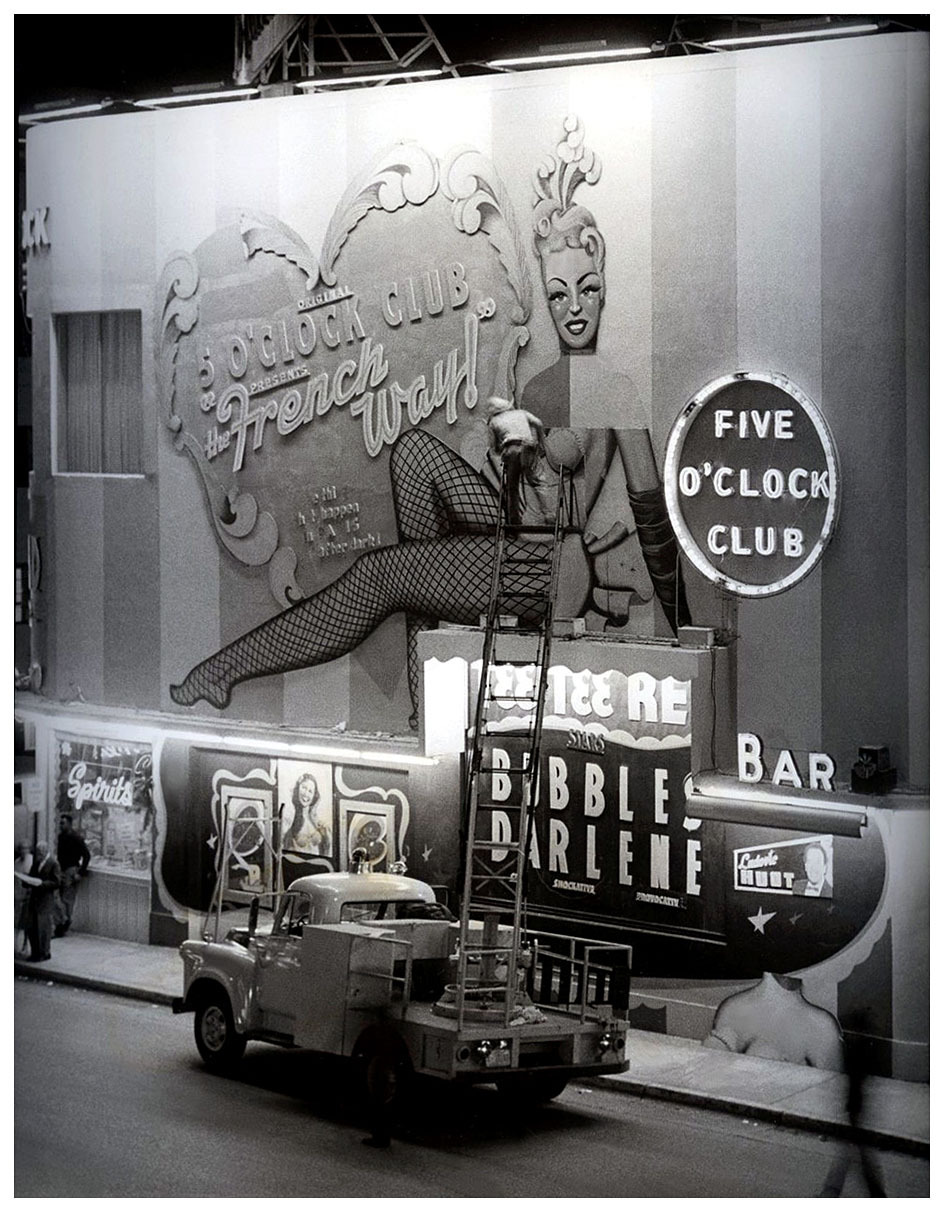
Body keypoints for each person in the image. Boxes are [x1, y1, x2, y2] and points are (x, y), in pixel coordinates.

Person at [519, 114, 691, 633]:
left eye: (587, 288)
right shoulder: (535, 387)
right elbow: (518, 498)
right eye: (557, 293)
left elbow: (653, 524)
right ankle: (425, 706)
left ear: (603, 289)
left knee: (386, 572)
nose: (573, 307)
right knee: (413, 459)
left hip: (551, 566)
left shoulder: (615, 392)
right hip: (509, 548)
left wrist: (685, 627)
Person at [24, 841, 62, 963]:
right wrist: (26, 881)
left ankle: (44, 952)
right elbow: (31, 876)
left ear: (45, 851)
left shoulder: (53, 863)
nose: (38, 855)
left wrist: (42, 884)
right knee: (32, 927)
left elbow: (57, 882)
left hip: (45, 899)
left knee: (43, 928)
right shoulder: (36, 863)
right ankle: (35, 951)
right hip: (34, 898)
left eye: (40, 852)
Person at [55, 812, 91, 936]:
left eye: (63, 823)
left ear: (69, 824)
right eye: (60, 823)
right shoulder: (60, 837)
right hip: (61, 869)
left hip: (71, 869)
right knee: (59, 896)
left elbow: (86, 855)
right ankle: (62, 919)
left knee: (67, 898)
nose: (61, 825)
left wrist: (80, 872)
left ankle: (65, 922)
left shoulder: (76, 838)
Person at [284, 774, 331, 855]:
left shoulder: (318, 822)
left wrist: (327, 837)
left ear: (314, 796)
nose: (306, 794)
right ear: (298, 788)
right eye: (304, 788)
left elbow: (328, 847)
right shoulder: (289, 818)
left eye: (310, 791)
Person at [13, 840, 33, 954]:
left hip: (27, 895)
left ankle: (26, 945)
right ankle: (16, 945)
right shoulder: (17, 862)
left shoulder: (31, 861)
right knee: (16, 922)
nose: (23, 851)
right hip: (17, 895)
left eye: (25, 849)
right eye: (21, 849)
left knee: (26, 922)